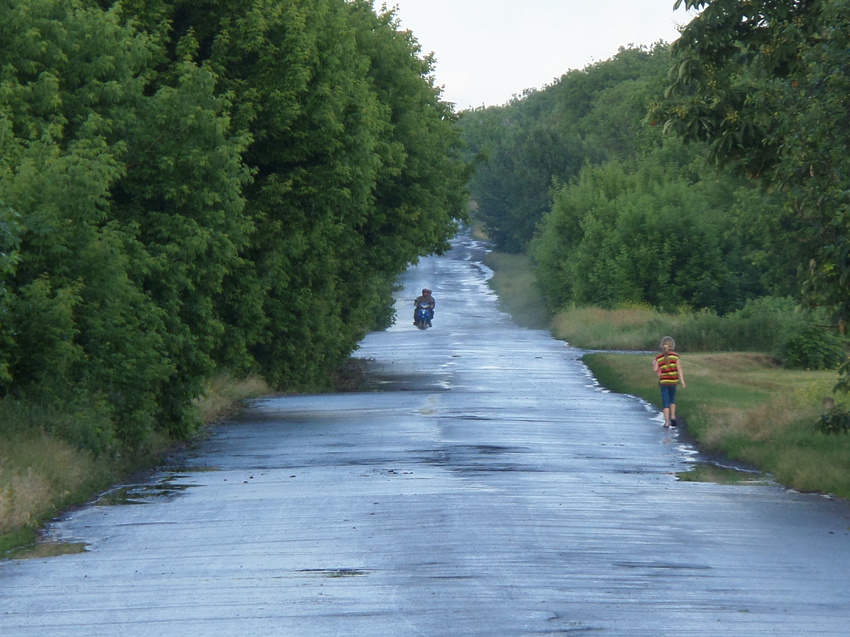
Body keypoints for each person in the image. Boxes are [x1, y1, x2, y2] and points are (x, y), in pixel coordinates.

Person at [652, 336, 685, 428]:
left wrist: (654, 363)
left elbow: (655, 369)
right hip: (673, 381)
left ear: (662, 345)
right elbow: (679, 368)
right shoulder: (675, 356)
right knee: (672, 399)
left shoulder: (659, 357)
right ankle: (673, 416)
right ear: (672, 345)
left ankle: (667, 422)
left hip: (664, 382)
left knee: (665, 402)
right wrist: (682, 380)